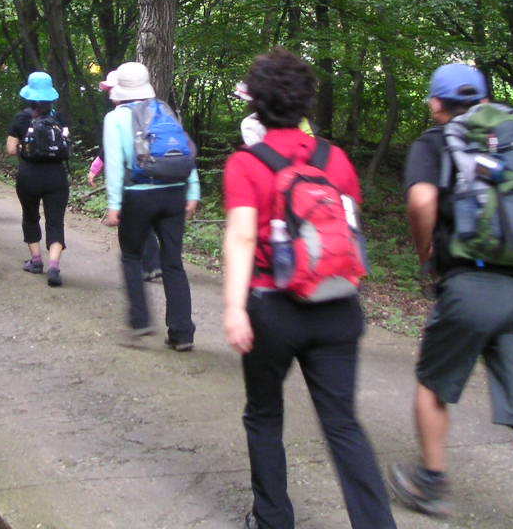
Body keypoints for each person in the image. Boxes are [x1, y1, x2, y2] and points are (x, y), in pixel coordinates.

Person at [391, 63, 513, 529]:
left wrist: (426, 252)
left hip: (470, 284)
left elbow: (420, 202)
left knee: (433, 385)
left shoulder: (434, 143)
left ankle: (431, 484)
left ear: (437, 102)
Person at [222, 49, 394, 529]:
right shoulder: (334, 158)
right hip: (337, 305)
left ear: (255, 102)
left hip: (272, 308)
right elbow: (348, 230)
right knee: (343, 424)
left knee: (263, 414)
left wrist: (235, 309)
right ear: (306, 103)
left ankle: (273, 520)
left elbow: (239, 236)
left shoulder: (246, 163)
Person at [101, 61, 199, 349]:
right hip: (174, 193)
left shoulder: (116, 118)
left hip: (139, 195)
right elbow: (183, 151)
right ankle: (182, 333)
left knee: (131, 256)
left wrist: (114, 204)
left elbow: (116, 165)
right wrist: (192, 191)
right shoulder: (164, 110)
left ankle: (140, 321)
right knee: (173, 263)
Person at [92, 70, 163, 282]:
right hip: (155, 176)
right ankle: (154, 264)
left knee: (133, 224)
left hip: (132, 178)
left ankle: (142, 267)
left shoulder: (118, 116)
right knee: (147, 223)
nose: (108, 94)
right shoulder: (152, 111)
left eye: (110, 89)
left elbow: (112, 154)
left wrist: (97, 169)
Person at [6, 71, 70, 287]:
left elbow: (11, 149)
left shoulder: (21, 118)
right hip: (57, 176)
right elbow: (67, 143)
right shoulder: (59, 117)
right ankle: (54, 265)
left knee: (30, 216)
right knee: (55, 221)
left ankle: (36, 261)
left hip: (29, 176)